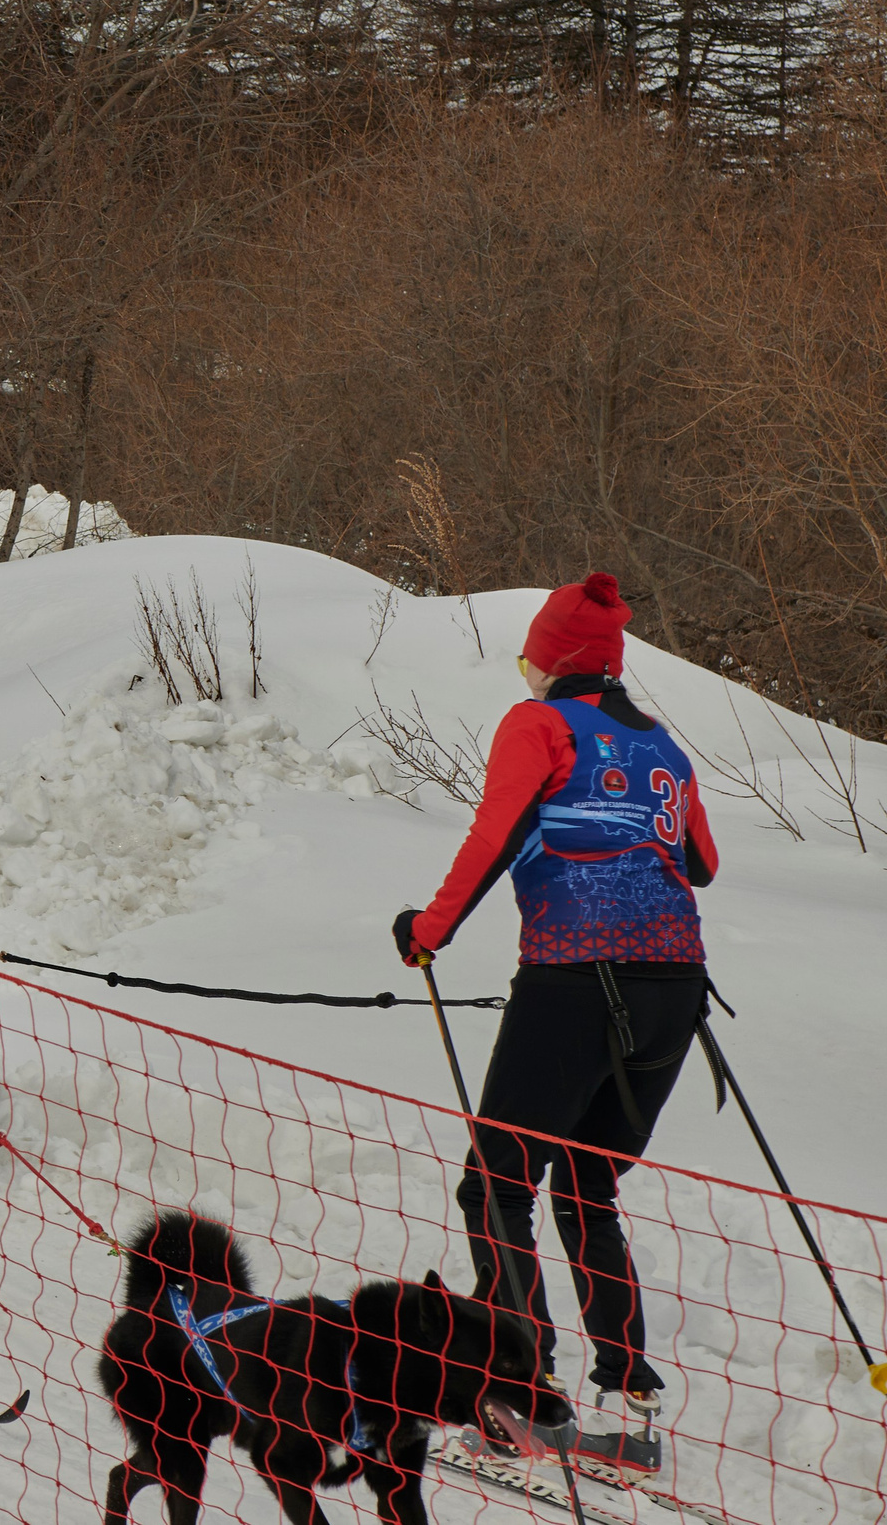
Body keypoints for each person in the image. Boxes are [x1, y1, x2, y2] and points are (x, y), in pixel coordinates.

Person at [393, 571, 716, 1433]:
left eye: (531, 651)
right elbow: (701, 863)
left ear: (551, 658)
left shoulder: (536, 721)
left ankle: (519, 1383)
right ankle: (629, 1378)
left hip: (575, 975)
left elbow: (494, 833)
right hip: (675, 988)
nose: (524, 665)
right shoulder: (661, 744)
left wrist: (429, 928)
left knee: (497, 1182)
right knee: (587, 1183)